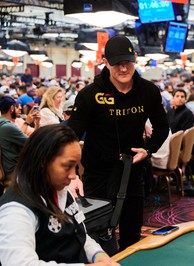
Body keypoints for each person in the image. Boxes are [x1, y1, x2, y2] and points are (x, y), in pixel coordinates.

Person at [68, 35, 169, 252]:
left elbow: (162, 127)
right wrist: (72, 174)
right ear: (105, 63)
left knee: (132, 237)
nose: (123, 69)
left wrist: (148, 150)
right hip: (98, 175)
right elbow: (68, 136)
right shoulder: (90, 95)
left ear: (135, 59)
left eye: (128, 62)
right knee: (97, 238)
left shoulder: (148, 91)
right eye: (117, 64)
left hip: (133, 173)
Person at [0, 125, 119, 265]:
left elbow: (82, 236)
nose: (74, 176)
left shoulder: (62, 191)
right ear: (42, 161)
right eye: (67, 166)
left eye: (75, 167)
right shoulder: (16, 209)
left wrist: (97, 255)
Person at [0, 95, 28, 195]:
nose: (19, 108)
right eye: (16, 106)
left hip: (6, 170)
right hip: (13, 172)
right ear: (12, 108)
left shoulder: (3, 125)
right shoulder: (7, 126)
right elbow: (31, 142)